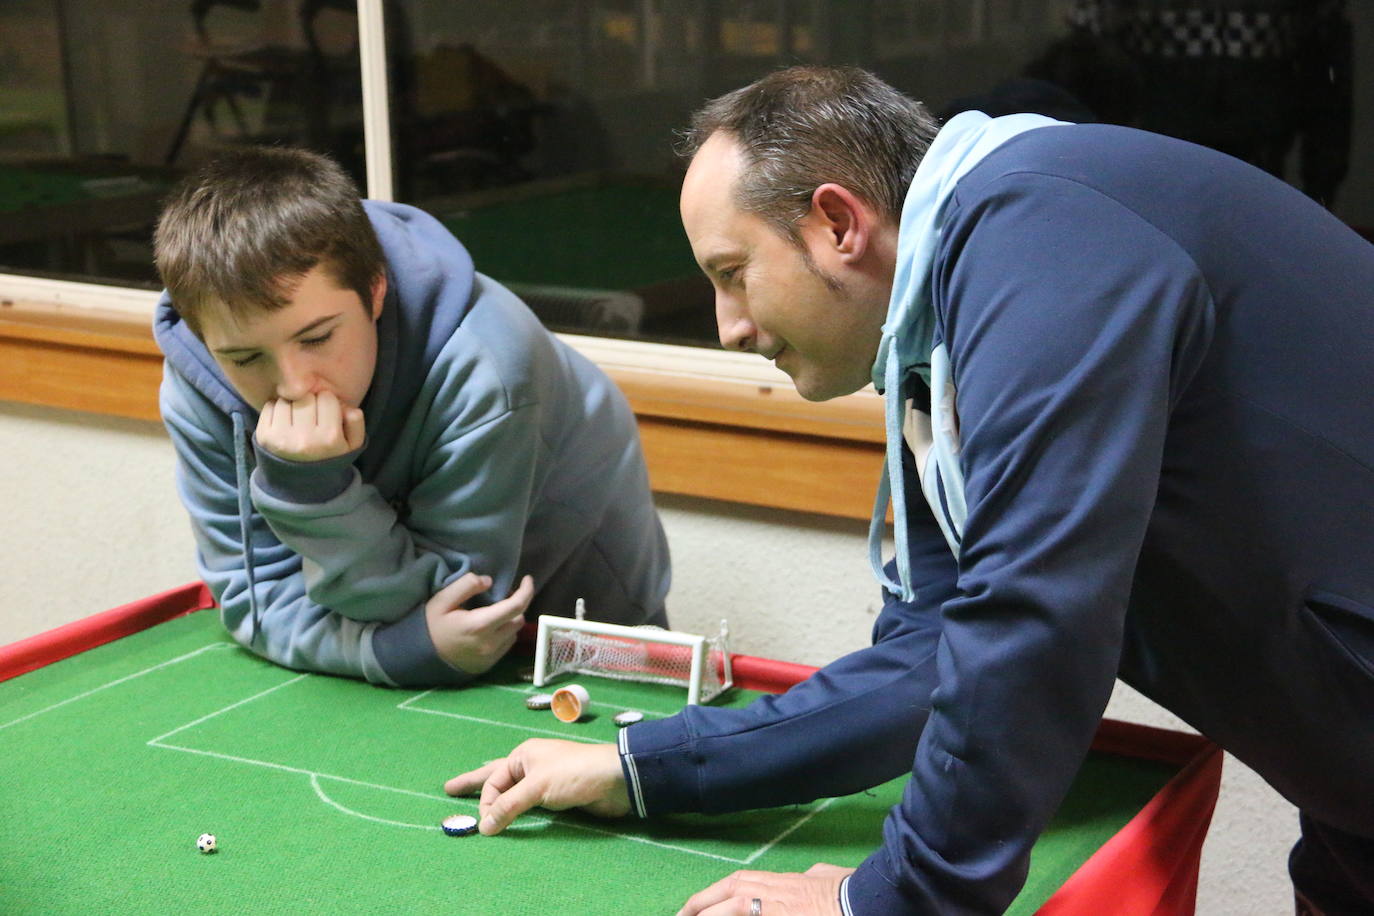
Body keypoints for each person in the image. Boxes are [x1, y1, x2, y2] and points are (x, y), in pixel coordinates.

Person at [444, 66, 1374, 915]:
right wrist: (641, 768)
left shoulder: (1044, 235)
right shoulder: (945, 327)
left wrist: (888, 901)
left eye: (733, 275)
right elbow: (931, 658)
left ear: (839, 223)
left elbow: (1031, 617)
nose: (726, 327)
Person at [152, 146, 670, 687]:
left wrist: (312, 493)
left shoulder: (489, 366)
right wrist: (391, 652)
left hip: (590, 616)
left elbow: (455, 611)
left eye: (318, 337)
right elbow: (254, 600)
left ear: (375, 289)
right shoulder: (198, 380)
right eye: (244, 358)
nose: (293, 385)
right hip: (407, 639)